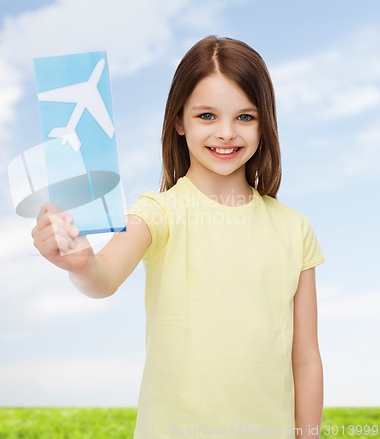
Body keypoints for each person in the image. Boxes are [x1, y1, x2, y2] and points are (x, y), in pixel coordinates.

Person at [31, 36, 325, 439]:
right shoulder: (159, 212)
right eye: (207, 116)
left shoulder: (295, 228)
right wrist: (80, 262)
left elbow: (305, 359)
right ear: (179, 121)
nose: (226, 133)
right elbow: (102, 277)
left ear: (265, 123)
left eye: (245, 117)